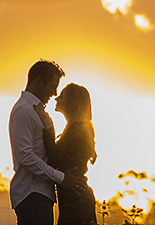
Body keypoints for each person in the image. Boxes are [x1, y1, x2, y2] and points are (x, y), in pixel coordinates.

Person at [10, 60, 85, 225]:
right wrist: (61, 178)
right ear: (38, 82)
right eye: (52, 86)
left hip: (39, 194)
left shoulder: (35, 110)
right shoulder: (24, 110)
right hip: (32, 193)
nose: (55, 93)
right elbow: (25, 155)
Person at [40, 83, 97, 225]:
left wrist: (47, 127)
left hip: (75, 199)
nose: (56, 98)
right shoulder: (78, 128)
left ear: (72, 102)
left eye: (62, 96)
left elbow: (53, 159)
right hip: (76, 196)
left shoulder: (76, 130)